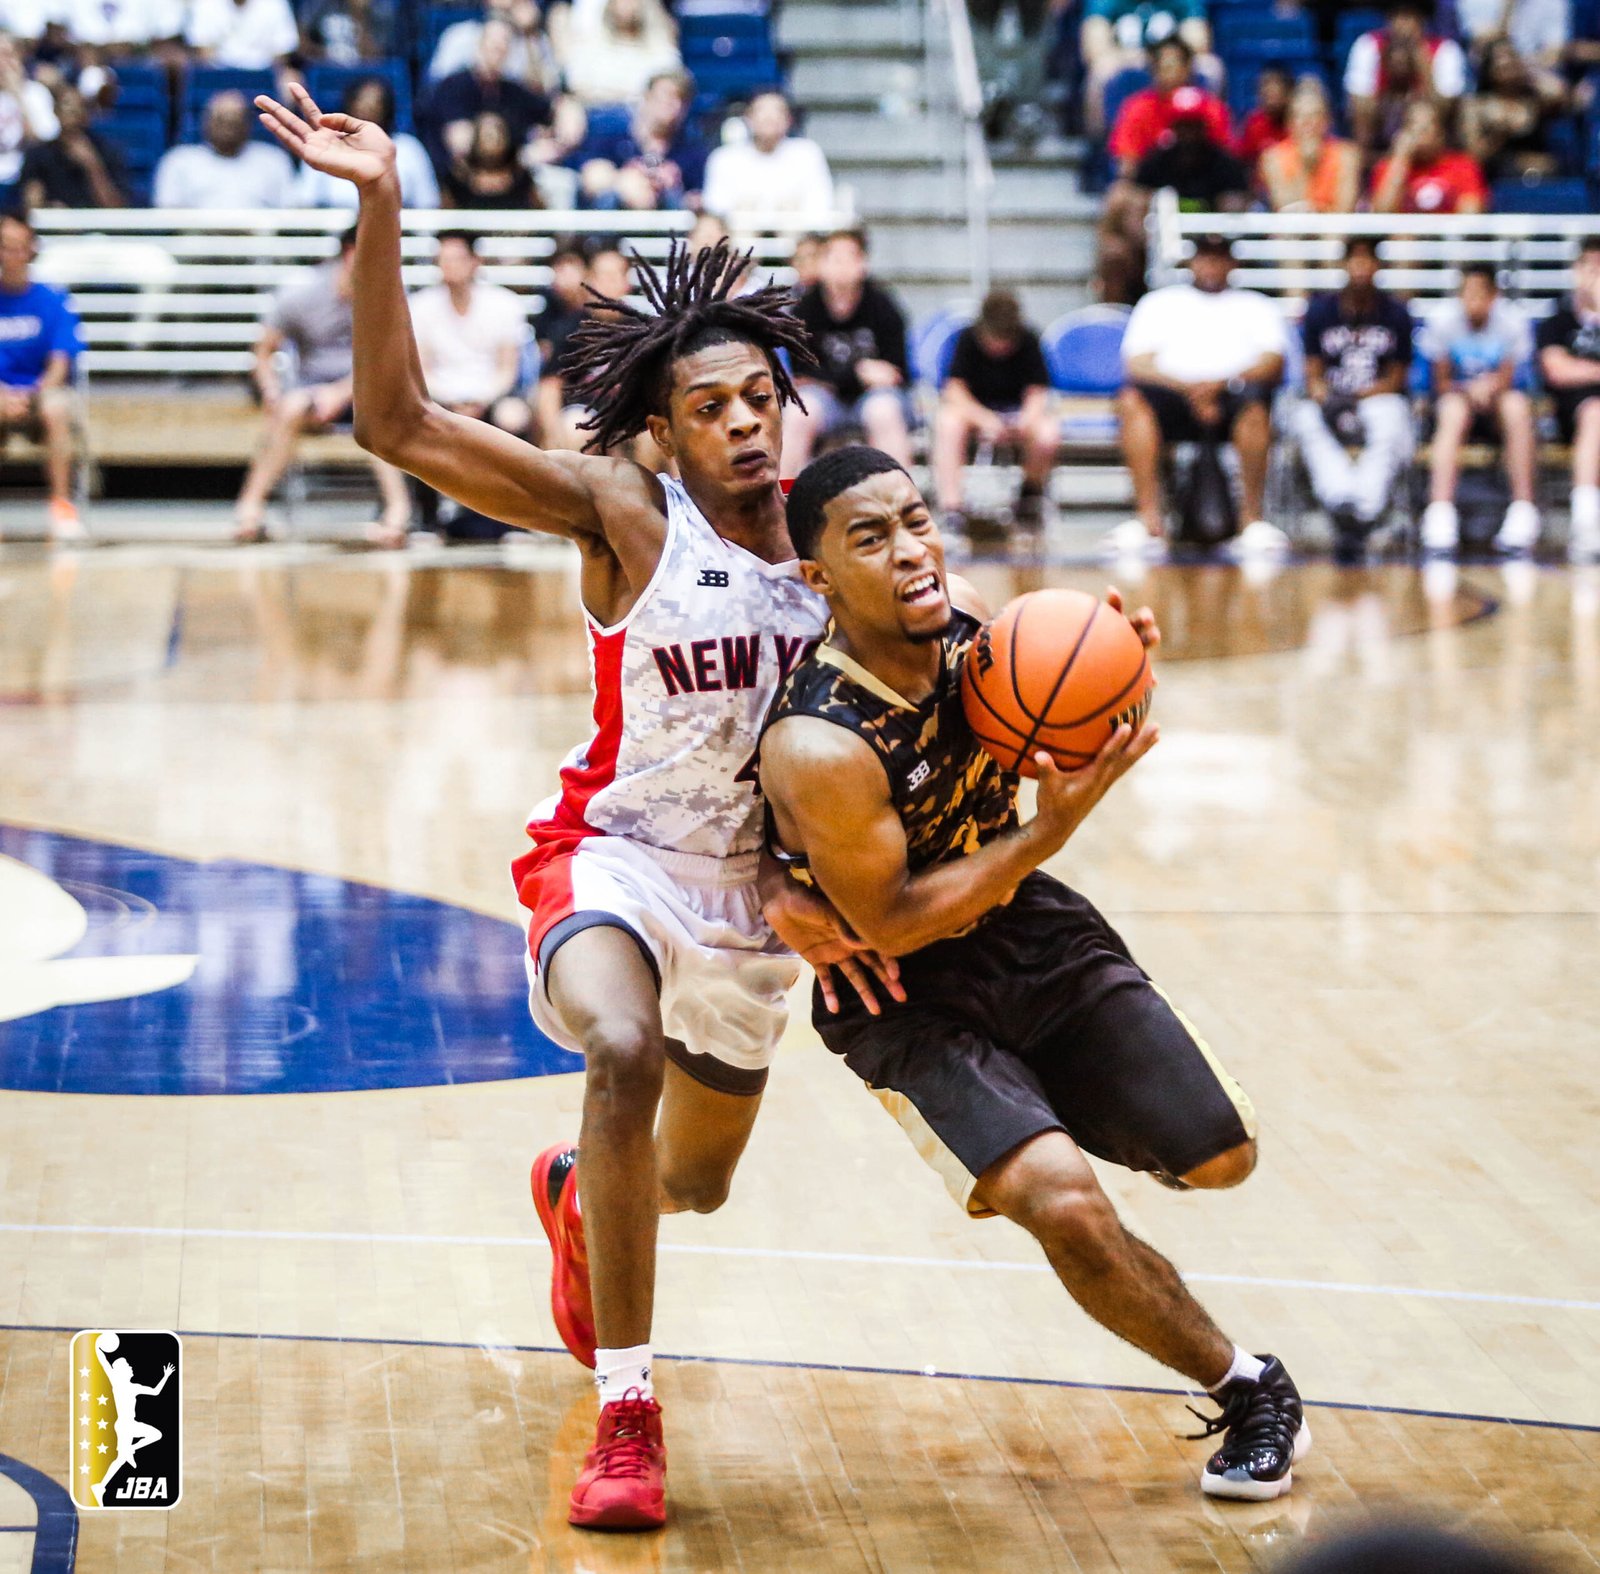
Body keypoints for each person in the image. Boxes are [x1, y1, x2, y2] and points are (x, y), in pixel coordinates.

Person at [254, 79, 898, 1532]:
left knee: (696, 1185)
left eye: (759, 401)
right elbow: (397, 418)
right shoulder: (628, 516)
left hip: (760, 912)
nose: (742, 424)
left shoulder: (845, 556)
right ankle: (629, 1411)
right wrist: (381, 208)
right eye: (709, 407)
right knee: (619, 1044)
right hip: (617, 861)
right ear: (662, 436)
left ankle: (572, 1194)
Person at [760, 445, 1309, 1506]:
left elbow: (1043, 715)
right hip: (902, 990)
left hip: (1031, 934)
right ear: (819, 578)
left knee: (1221, 1161)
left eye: (915, 519)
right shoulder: (818, 739)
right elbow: (889, 918)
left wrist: (1109, 670)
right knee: (1064, 1203)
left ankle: (1057, 1119)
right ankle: (1248, 1385)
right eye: (869, 540)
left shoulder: (971, 617)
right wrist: (1047, 832)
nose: (910, 551)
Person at [232, 225, 414, 546]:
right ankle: (250, 509)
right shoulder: (302, 295)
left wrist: (342, 392)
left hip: (371, 394)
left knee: (378, 412)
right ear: (350, 254)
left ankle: (397, 514)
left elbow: (393, 361)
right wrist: (271, 391)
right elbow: (263, 351)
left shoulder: (392, 298)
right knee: (288, 408)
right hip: (312, 396)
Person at [1110, 233, 1287, 560]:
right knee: (1132, 403)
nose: (1211, 265)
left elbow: (1273, 361)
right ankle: (1148, 520)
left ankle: (1251, 521)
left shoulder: (1256, 305)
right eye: (1205, 257)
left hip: (1233, 393)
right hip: (1173, 396)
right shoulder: (1160, 302)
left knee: (1256, 409)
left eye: (1219, 258)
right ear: (1191, 262)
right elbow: (1136, 363)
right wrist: (1190, 388)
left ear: (1233, 264)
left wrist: (1218, 384)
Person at [1290, 237, 1415, 557]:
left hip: (1377, 397)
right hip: (1332, 396)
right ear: (1343, 266)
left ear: (1378, 267)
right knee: (1306, 418)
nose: (1360, 268)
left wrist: (1358, 395)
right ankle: (1340, 497)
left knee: (1391, 418)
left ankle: (1366, 507)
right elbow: (1312, 373)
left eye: (1367, 260)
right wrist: (1326, 395)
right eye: (1354, 260)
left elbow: (1398, 378)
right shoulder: (1321, 310)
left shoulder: (1396, 313)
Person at [1418, 263, 1539, 553]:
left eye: (1480, 294)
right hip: (1458, 401)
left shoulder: (1512, 323)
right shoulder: (1442, 322)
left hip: (1497, 404)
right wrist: (1469, 389)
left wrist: (1489, 387)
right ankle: (1440, 511)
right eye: (1468, 293)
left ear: (1493, 296)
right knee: (1452, 410)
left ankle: (1523, 509)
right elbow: (1441, 382)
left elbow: (1510, 380)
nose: (1473, 301)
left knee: (1518, 407)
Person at [784, 228, 913, 474]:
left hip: (874, 398)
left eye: (850, 258)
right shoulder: (806, 310)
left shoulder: (883, 305)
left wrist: (832, 378)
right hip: (826, 401)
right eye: (835, 258)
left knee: (883, 412)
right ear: (821, 264)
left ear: (862, 264)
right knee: (798, 413)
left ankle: (899, 501)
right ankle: (784, 497)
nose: (842, 267)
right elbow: (803, 374)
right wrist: (859, 373)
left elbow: (898, 371)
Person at [934, 289, 1057, 536]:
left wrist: (1027, 419)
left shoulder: (1030, 340)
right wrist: (984, 418)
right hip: (976, 412)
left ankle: (1029, 497)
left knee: (1048, 433)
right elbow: (954, 390)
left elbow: (1038, 391)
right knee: (947, 422)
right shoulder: (966, 339)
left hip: (1016, 414)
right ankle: (952, 508)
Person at [0, 209, 82, 540]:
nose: (12, 255)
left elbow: (61, 362)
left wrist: (34, 394)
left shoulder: (52, 300)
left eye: (19, 247)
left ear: (32, 250)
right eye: (5, 246)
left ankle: (62, 507)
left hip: (41, 392)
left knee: (56, 407)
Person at [410, 230, 532, 440]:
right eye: (443, 259)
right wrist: (452, 401)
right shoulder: (419, 306)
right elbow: (422, 370)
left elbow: (506, 370)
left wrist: (479, 401)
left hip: (492, 396)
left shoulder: (505, 304)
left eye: (457, 259)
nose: (450, 265)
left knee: (513, 416)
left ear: (475, 261)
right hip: (437, 399)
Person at [1534, 234, 1600, 562]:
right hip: (1569, 413)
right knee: (1596, 413)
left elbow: (1569, 365)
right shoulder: (1559, 319)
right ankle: (1586, 522)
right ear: (1576, 271)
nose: (1596, 275)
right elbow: (1556, 370)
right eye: (1590, 266)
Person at [421, 17, 554, 174]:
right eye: (493, 44)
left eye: (504, 45)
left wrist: (567, 111)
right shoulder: (454, 85)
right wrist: (523, 156)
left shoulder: (512, 90)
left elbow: (549, 110)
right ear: (480, 44)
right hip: (462, 180)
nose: (497, 50)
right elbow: (462, 145)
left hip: (511, 179)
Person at [1344, 0, 1467, 158]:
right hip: (1382, 120)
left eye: (1409, 17)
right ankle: (1366, 163)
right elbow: (1359, 101)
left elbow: (1444, 108)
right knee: (1362, 107)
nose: (1403, 25)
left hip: (1428, 124)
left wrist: (1422, 63)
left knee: (1426, 114)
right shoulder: (1369, 45)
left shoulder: (1445, 49)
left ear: (1422, 21)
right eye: (1397, 17)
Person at [575, 67, 706, 212]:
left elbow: (698, 199)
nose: (674, 105)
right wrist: (625, 181)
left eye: (682, 99)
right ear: (647, 97)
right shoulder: (614, 137)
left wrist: (672, 188)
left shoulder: (692, 151)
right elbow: (591, 178)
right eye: (667, 96)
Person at [296, 77, 438, 209]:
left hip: (397, 231)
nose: (367, 109)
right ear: (349, 104)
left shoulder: (408, 148)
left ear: (387, 109)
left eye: (376, 103)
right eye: (361, 101)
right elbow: (304, 202)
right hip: (333, 232)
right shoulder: (326, 144)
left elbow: (428, 202)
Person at [1079, 0, 1214, 136]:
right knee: (1101, 70)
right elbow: (1094, 48)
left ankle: (1210, 134)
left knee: (1209, 67)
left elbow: (1197, 43)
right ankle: (1101, 144)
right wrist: (1143, 57)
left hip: (1169, 59)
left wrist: (1165, 57)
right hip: (1124, 59)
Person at [701, 88, 834, 221]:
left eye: (777, 111)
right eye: (762, 111)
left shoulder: (807, 154)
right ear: (748, 118)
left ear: (789, 120)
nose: (769, 117)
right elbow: (715, 209)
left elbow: (821, 204)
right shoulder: (724, 158)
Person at [1107, 36, 1231, 178]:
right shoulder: (1137, 107)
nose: (1166, 71)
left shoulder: (1212, 108)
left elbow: (1225, 158)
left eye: (1172, 65)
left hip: (1204, 186)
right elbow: (1126, 161)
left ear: (1188, 67)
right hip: (1153, 185)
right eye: (1161, 65)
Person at [152, 90, 295, 209]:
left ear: (248, 124)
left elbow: (291, 212)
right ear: (206, 122)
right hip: (195, 240)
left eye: (235, 121)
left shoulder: (274, 160)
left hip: (263, 241)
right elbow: (168, 213)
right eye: (221, 120)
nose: (228, 128)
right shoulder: (179, 160)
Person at [1459, 34, 1567, 182]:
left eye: (1511, 56)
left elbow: (1559, 93)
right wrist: (1498, 135)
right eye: (1499, 59)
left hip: (1539, 176)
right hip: (1497, 180)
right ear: (1488, 67)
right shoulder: (1475, 105)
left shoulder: (1534, 99)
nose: (1507, 63)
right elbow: (1473, 157)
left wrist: (1529, 72)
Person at [1370, 98, 1488, 216]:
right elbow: (1382, 213)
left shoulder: (1463, 166)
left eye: (1425, 128)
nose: (1418, 135)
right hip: (1402, 233)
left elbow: (1471, 214)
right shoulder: (1388, 168)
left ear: (1440, 134)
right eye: (1412, 128)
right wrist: (1401, 158)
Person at [1259, 82, 1360, 214]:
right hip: (1291, 232)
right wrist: (1306, 164)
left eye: (1314, 115)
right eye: (1299, 116)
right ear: (1289, 122)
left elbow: (1345, 211)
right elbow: (1286, 208)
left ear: (1327, 121)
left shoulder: (1347, 155)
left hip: (1333, 231)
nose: (1307, 123)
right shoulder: (1272, 157)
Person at [20, 83, 126, 208]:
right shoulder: (38, 154)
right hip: (54, 224)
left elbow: (117, 208)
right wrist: (42, 205)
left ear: (86, 114)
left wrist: (92, 166)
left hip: (97, 224)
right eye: (65, 106)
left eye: (76, 109)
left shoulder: (107, 151)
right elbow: (30, 201)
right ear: (55, 111)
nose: (70, 114)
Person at [558, 0, 679, 108]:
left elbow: (669, 79)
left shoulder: (660, 47)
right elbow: (577, 82)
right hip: (596, 114)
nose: (627, 5)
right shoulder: (591, 44)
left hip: (643, 119)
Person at [429, 0, 555, 91]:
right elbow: (435, 88)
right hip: (464, 114)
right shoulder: (460, 35)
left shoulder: (532, 40)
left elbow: (543, 94)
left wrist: (529, 35)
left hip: (511, 119)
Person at [440, 109, 541, 208]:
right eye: (487, 135)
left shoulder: (521, 175)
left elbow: (540, 212)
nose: (493, 139)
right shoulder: (458, 177)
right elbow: (445, 216)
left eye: (498, 133)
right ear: (476, 139)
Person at [0, 31, 56, 194]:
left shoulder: (36, 93)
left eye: (7, 55)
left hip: (25, 179)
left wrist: (17, 95)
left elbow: (42, 140)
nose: (2, 64)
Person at [185, 0, 297, 69]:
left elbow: (282, 50)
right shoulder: (205, 3)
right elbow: (203, 49)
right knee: (227, 105)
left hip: (263, 73)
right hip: (220, 74)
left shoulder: (276, 3)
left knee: (291, 81)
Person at [298, 0, 395, 66]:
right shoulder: (318, 4)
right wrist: (331, 56)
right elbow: (302, 46)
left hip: (364, 74)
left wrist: (358, 14)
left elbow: (372, 56)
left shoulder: (380, 7)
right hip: (324, 69)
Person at [1235, 64, 1293, 168]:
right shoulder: (1254, 124)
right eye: (1264, 85)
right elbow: (1244, 164)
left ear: (1288, 91)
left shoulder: (1297, 125)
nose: (1269, 91)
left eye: (1275, 85)